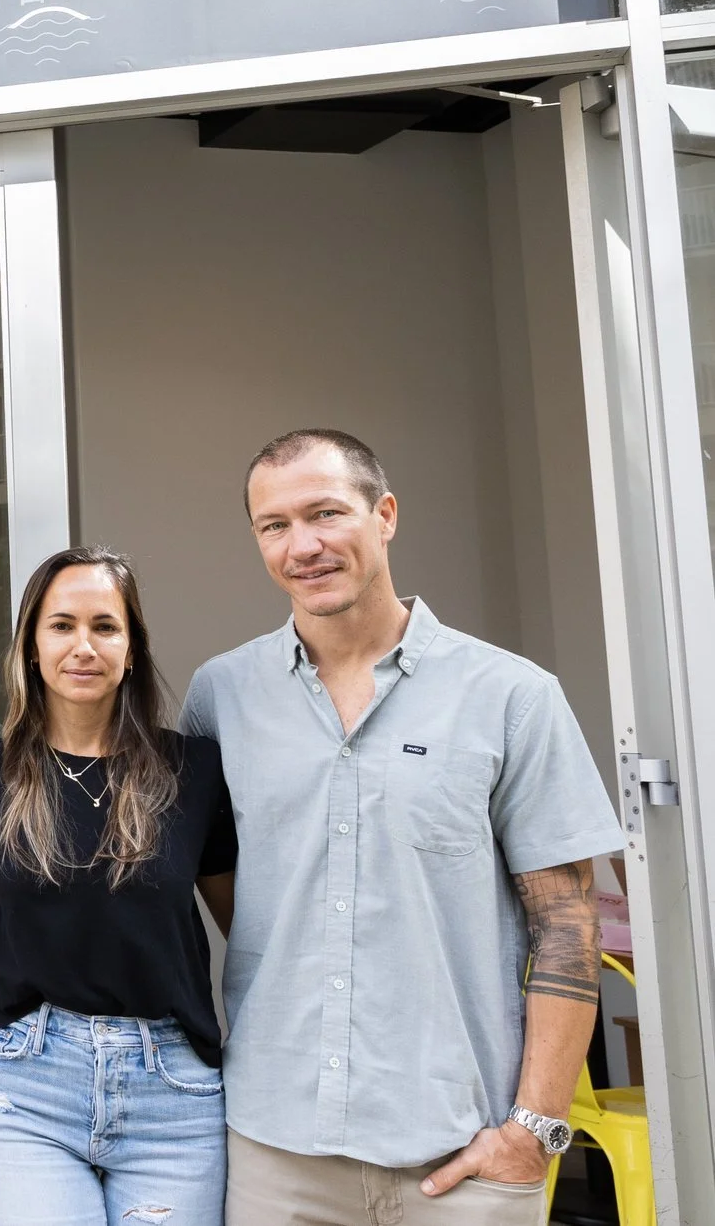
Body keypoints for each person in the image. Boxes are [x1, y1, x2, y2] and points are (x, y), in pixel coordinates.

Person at [184, 430, 623, 1226]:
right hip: (274, 1148)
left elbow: (566, 927)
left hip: (463, 1151)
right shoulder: (221, 696)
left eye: (325, 513)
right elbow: (233, 890)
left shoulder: (511, 695)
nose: (302, 545)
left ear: (384, 514)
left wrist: (534, 1128)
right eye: (274, 525)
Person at [0, 547, 239, 1226]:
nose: (83, 645)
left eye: (105, 626)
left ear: (130, 648)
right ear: (31, 646)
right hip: (26, 1086)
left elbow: (247, 935)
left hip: (173, 1090)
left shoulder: (191, 770)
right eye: (61, 625)